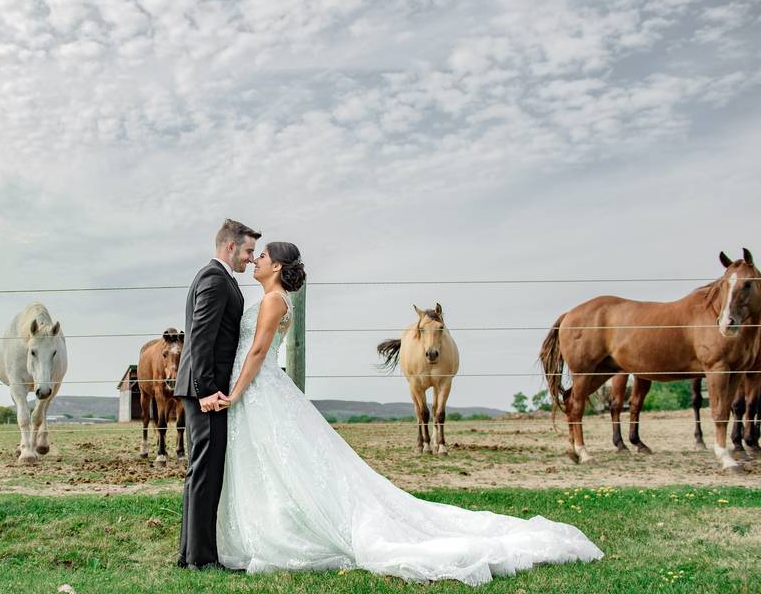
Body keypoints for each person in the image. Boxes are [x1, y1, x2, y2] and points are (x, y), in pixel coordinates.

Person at [216, 241, 604, 586]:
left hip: (256, 386)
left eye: (262, 256)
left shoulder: (272, 300)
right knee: (278, 461)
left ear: (278, 267)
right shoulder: (275, 299)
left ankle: (280, 530)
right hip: (261, 390)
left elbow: (258, 352)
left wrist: (234, 393)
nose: (256, 259)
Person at [173, 218, 260, 570]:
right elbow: (200, 337)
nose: (251, 259)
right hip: (204, 393)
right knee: (206, 473)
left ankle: (190, 555)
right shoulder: (214, 279)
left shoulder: (220, 279)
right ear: (230, 247)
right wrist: (207, 390)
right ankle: (201, 560)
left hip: (204, 391)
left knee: (201, 472)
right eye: (248, 251)